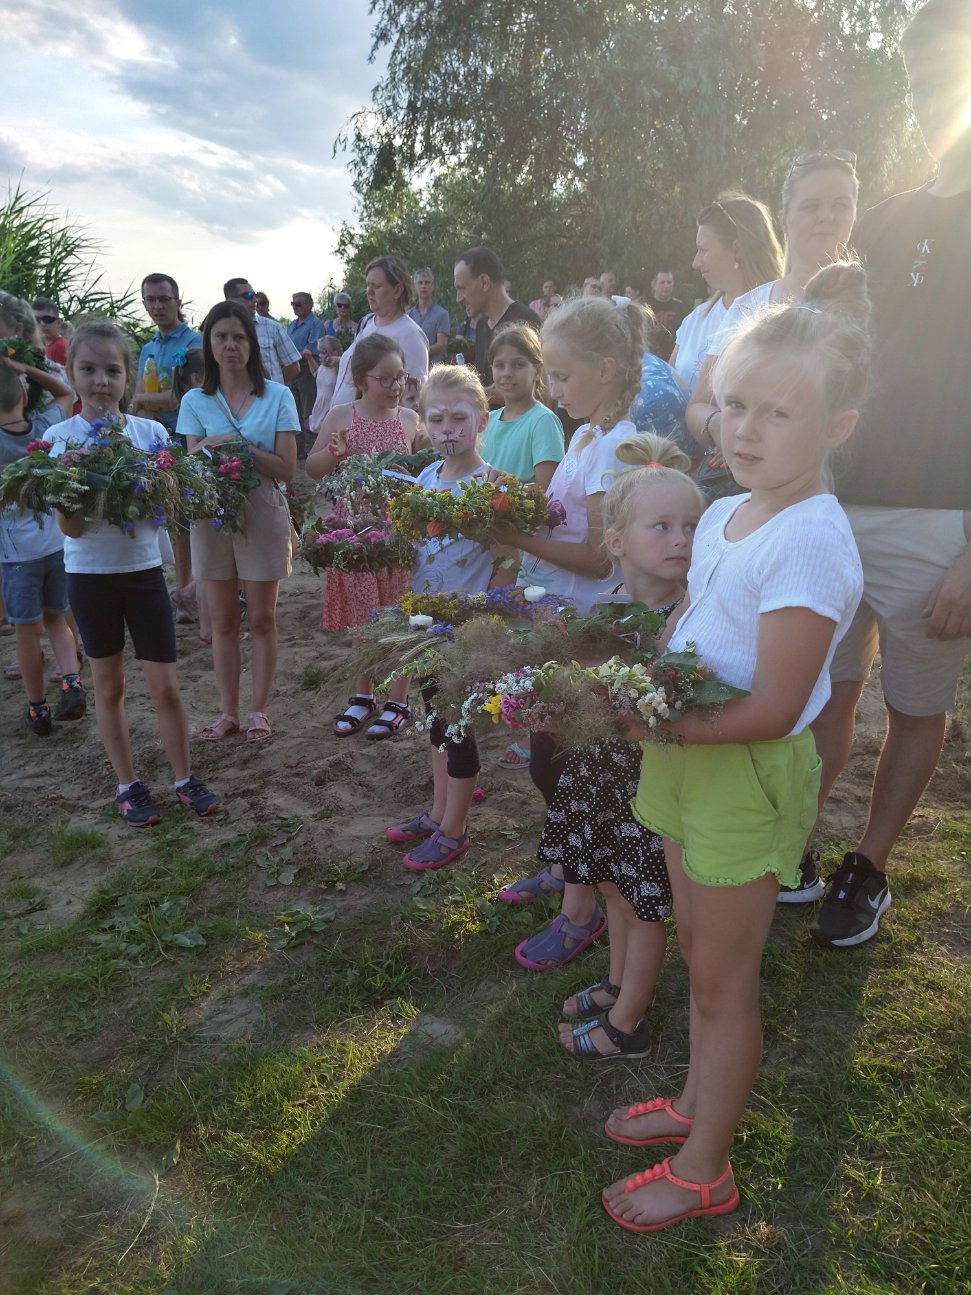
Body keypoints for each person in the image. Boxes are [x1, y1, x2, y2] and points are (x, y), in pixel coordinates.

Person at [601, 262, 867, 1234]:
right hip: (684, 750)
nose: (745, 429)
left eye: (778, 415)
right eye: (734, 405)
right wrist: (635, 670)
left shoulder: (809, 541)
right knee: (699, 966)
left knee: (723, 980)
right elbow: (699, 624)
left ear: (835, 427)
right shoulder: (724, 510)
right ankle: (690, 1102)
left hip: (737, 768)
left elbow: (773, 703)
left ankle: (704, 1164)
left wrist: (652, 717)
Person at [808, 0, 971, 948]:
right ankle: (791, 842)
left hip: (939, 518)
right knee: (822, 691)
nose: (928, 93)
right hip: (837, 500)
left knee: (916, 701)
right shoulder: (887, 217)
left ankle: (865, 867)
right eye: (916, 77)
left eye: (944, 70)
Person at [494, 294, 650, 965]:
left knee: (570, 768)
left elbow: (596, 554)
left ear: (608, 368)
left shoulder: (618, 446)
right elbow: (560, 517)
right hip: (559, 616)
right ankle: (563, 866)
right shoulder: (586, 435)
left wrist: (512, 532)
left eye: (562, 375)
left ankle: (580, 905)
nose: (553, 389)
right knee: (548, 758)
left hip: (592, 628)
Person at [538, 434, 705, 1058]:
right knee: (610, 888)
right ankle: (615, 981)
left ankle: (628, 1021)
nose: (680, 539)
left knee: (641, 904)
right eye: (661, 526)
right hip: (600, 778)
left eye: (691, 526)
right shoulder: (604, 608)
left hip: (649, 787)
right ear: (616, 543)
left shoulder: (689, 620)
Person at [50, 321, 221, 826]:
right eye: (88, 370)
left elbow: (163, 509)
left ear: (128, 378)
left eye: (111, 370)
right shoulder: (60, 440)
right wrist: (78, 479)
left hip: (144, 573)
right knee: (109, 686)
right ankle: (127, 783)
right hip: (89, 575)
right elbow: (72, 527)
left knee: (166, 686)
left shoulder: (149, 435)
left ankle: (184, 777)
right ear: (71, 373)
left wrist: (147, 484)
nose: (100, 381)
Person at [384, 365, 515, 870]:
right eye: (435, 419)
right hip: (426, 623)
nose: (447, 429)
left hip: (466, 626)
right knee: (435, 718)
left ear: (481, 420)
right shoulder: (424, 478)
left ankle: (456, 829)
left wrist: (486, 616)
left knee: (458, 725)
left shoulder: (495, 485)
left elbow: (508, 559)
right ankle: (439, 812)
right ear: (423, 424)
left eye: (458, 417)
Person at [177, 301, 299, 745]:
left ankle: (258, 711)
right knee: (224, 622)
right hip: (211, 514)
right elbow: (190, 463)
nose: (231, 346)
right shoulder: (194, 400)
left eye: (240, 337)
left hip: (262, 511)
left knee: (262, 619)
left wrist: (240, 449)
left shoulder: (278, 395)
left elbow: (286, 469)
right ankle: (228, 712)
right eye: (222, 337)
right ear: (209, 343)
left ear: (252, 343)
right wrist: (209, 446)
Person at [687, 156, 858, 458]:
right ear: (784, 220)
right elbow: (699, 404)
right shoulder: (747, 307)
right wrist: (721, 428)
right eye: (811, 206)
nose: (827, 216)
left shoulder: (877, 308)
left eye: (841, 205)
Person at [305, 334, 421, 738]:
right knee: (363, 619)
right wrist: (333, 453)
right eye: (384, 379)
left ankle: (400, 700)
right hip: (355, 536)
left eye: (400, 378)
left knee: (398, 618)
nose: (394, 388)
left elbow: (423, 472)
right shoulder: (341, 416)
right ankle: (363, 695)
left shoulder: (409, 420)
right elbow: (312, 469)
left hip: (399, 536)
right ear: (360, 379)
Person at [0, 356, 83, 735]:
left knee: (26, 631)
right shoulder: (46, 428)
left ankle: (37, 709)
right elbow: (67, 391)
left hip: (17, 555)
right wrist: (26, 369)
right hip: (56, 543)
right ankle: (72, 682)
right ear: (23, 394)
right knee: (57, 618)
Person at [129, 273, 203, 603]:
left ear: (178, 301)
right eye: (151, 300)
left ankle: (190, 590)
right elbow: (139, 394)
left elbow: (178, 396)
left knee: (189, 518)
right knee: (170, 516)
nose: (157, 306)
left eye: (164, 299)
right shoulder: (147, 347)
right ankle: (183, 587)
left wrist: (143, 403)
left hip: (189, 438)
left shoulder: (193, 344)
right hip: (156, 441)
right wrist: (143, 403)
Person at [670, 194, 783, 399]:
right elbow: (665, 391)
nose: (695, 263)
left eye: (703, 249)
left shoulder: (781, 318)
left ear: (737, 249)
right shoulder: (695, 320)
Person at [329, 257, 429, 411]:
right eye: (368, 284)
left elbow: (415, 397)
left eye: (376, 286)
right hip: (344, 426)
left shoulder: (410, 334)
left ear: (397, 290)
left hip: (374, 430)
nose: (369, 291)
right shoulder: (367, 323)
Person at [482, 324, 564, 491]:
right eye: (499, 365)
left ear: (537, 371)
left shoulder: (543, 421)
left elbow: (548, 491)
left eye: (518, 365)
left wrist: (508, 487)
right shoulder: (487, 420)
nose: (507, 373)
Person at [452, 246, 541, 384]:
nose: (458, 299)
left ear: (484, 282)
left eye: (462, 289)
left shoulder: (525, 322)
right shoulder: (482, 325)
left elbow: (541, 390)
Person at [223, 278, 301, 388]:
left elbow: (293, 367)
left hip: (272, 400)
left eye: (254, 295)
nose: (255, 300)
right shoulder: (220, 332)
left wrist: (271, 386)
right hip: (237, 401)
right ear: (230, 300)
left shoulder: (273, 327)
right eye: (248, 296)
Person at [287, 291, 326, 449]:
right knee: (294, 408)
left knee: (308, 408)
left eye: (298, 304)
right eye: (293, 303)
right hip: (292, 370)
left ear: (309, 305)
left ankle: (310, 446)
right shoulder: (291, 325)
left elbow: (310, 349)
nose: (295, 307)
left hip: (307, 369)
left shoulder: (315, 324)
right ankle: (299, 445)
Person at [408, 269, 451, 362]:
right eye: (420, 283)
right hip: (411, 369)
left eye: (427, 282)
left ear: (433, 286)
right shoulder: (408, 315)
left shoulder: (442, 314)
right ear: (414, 286)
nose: (424, 286)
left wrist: (419, 353)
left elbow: (441, 345)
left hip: (433, 370)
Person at [646, 271, 689, 361]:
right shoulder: (645, 306)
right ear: (653, 285)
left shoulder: (681, 307)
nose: (666, 286)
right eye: (662, 282)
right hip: (649, 355)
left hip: (673, 355)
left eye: (669, 282)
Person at [307, 336, 342, 435]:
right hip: (319, 404)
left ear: (334, 353)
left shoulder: (339, 368)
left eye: (324, 352)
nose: (320, 356)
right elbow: (315, 373)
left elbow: (348, 360)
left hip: (331, 405)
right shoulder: (322, 368)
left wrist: (337, 360)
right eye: (320, 352)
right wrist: (309, 359)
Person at [31, 298, 69, 367]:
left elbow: (64, 377)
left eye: (47, 319)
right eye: (37, 320)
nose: (42, 324)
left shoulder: (60, 347)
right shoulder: (45, 346)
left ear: (59, 323)